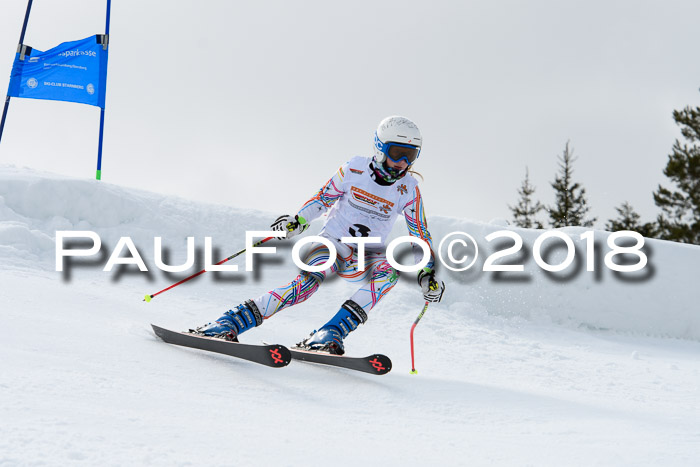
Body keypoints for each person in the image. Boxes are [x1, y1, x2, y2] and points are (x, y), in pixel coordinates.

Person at [194, 116, 445, 354]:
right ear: (380, 148)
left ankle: (330, 333)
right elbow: (323, 198)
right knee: (306, 286)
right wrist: (298, 220)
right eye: (396, 152)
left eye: (410, 155)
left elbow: (419, 233)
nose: (402, 162)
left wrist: (427, 273)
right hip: (330, 245)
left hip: (364, 256)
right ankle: (229, 322)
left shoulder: (408, 189)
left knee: (389, 273)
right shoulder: (353, 169)